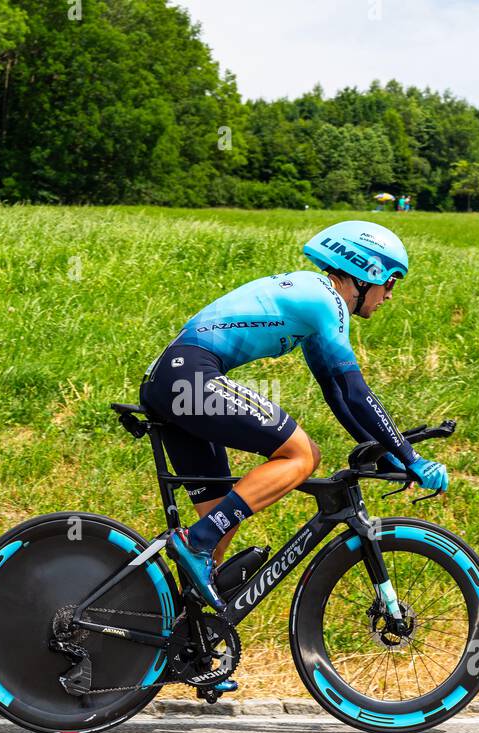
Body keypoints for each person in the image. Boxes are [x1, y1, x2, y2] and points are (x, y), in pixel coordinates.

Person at [139, 222, 448, 656]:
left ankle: (187, 645)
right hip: (188, 379)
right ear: (366, 272)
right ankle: (196, 543)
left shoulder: (312, 301)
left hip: (173, 384)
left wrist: (386, 453)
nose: (390, 296)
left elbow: (339, 395)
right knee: (302, 454)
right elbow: (357, 392)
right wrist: (411, 457)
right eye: (391, 282)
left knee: (219, 525)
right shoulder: (326, 301)